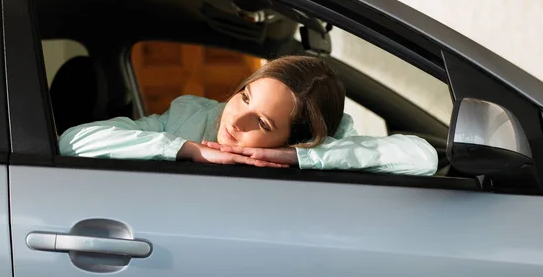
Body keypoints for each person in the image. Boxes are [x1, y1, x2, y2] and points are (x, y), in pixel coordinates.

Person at [58, 55, 438, 175]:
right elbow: (73, 140)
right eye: (244, 97)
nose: (235, 120)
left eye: (263, 123)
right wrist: (186, 149)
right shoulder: (190, 118)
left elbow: (422, 157)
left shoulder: (322, 149)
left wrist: (302, 157)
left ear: (294, 138)